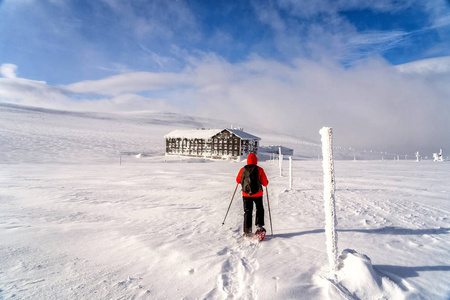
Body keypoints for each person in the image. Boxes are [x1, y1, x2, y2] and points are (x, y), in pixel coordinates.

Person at [236, 153, 269, 236]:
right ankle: (259, 226)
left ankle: (247, 231)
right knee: (259, 209)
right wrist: (266, 182)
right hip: (258, 194)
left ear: (247, 160)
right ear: (256, 161)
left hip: (246, 194)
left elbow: (238, 180)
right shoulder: (260, 169)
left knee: (247, 211)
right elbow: (265, 183)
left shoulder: (243, 169)